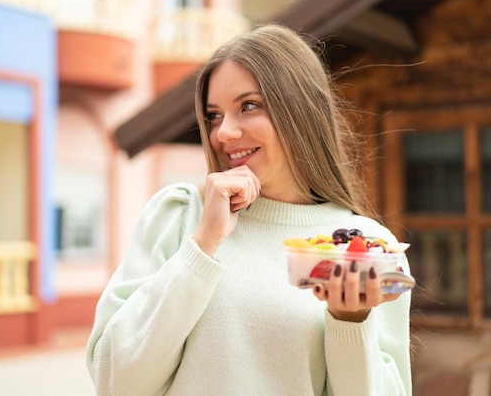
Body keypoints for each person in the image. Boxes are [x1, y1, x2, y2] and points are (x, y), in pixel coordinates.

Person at [86, 23, 412, 395]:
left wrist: (350, 321)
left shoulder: (367, 248)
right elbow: (116, 383)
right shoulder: (179, 216)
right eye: (214, 115)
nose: (223, 133)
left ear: (302, 110)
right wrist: (203, 245)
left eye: (249, 106)